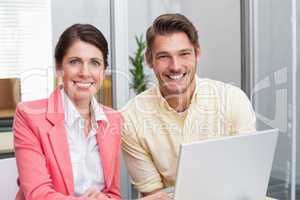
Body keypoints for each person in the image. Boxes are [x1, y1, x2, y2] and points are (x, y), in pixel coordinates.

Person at [121, 13, 256, 199]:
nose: (175, 66)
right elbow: (154, 195)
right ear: (149, 60)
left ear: (197, 54)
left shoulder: (232, 100)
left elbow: (246, 179)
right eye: (163, 56)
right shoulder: (130, 118)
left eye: (184, 54)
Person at [13, 24, 123, 200]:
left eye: (94, 63)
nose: (85, 73)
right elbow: (37, 194)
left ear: (103, 71)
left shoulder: (113, 120)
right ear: (59, 68)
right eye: (74, 62)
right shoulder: (29, 116)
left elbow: (113, 193)